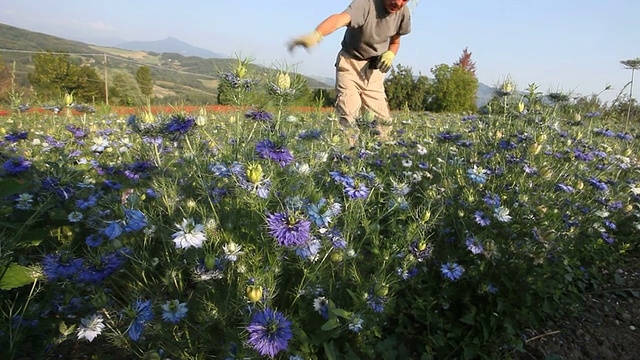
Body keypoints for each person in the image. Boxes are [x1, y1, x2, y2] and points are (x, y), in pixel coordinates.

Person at [288, 0, 412, 146]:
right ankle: (347, 158)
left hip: (374, 72)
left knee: (383, 124)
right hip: (350, 65)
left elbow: (395, 42)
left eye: (404, 0)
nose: (398, 3)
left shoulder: (403, 13)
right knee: (348, 116)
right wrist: (317, 34)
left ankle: (378, 159)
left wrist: (390, 54)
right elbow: (340, 19)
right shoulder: (366, 4)